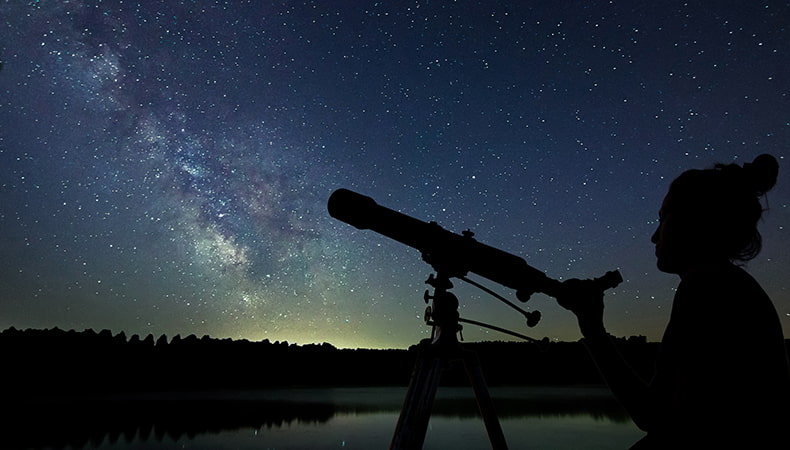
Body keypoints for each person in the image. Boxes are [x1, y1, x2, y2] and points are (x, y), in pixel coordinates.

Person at [555, 154, 790, 449]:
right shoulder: (726, 284)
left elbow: (656, 416)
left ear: (695, 220)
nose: (654, 237)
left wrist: (592, 329)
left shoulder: (707, 288)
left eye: (663, 218)